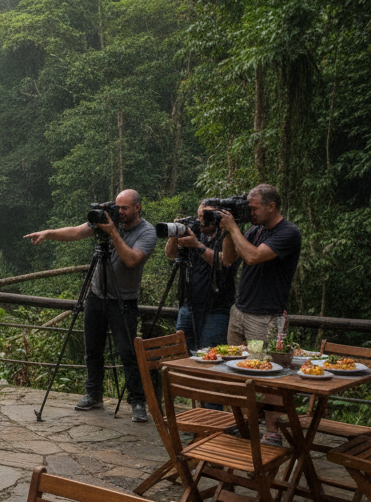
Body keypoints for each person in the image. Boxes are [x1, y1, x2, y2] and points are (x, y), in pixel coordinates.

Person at [26, 189, 157, 423]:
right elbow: (76, 232)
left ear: (137, 207)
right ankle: (94, 394)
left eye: (124, 208)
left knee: (128, 352)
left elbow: (131, 260)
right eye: (117, 207)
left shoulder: (146, 232)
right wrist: (48, 233)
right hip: (96, 295)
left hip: (123, 300)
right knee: (92, 349)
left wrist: (114, 233)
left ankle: (137, 401)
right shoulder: (107, 221)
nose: (120, 212)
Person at [216, 183, 301, 446]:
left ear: (271, 206)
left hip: (264, 317)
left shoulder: (288, 233)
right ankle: (242, 422)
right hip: (240, 311)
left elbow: (252, 257)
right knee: (236, 370)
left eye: (253, 208)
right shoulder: (255, 230)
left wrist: (233, 228)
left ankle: (273, 432)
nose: (250, 212)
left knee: (268, 373)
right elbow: (229, 258)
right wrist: (229, 233)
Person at [164, 202, 239, 352]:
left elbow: (225, 262)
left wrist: (197, 245)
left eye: (207, 216)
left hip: (216, 309)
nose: (202, 221)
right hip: (189, 306)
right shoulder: (195, 234)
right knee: (182, 353)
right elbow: (171, 254)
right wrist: (175, 234)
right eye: (199, 216)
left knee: (209, 356)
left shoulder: (228, 237)